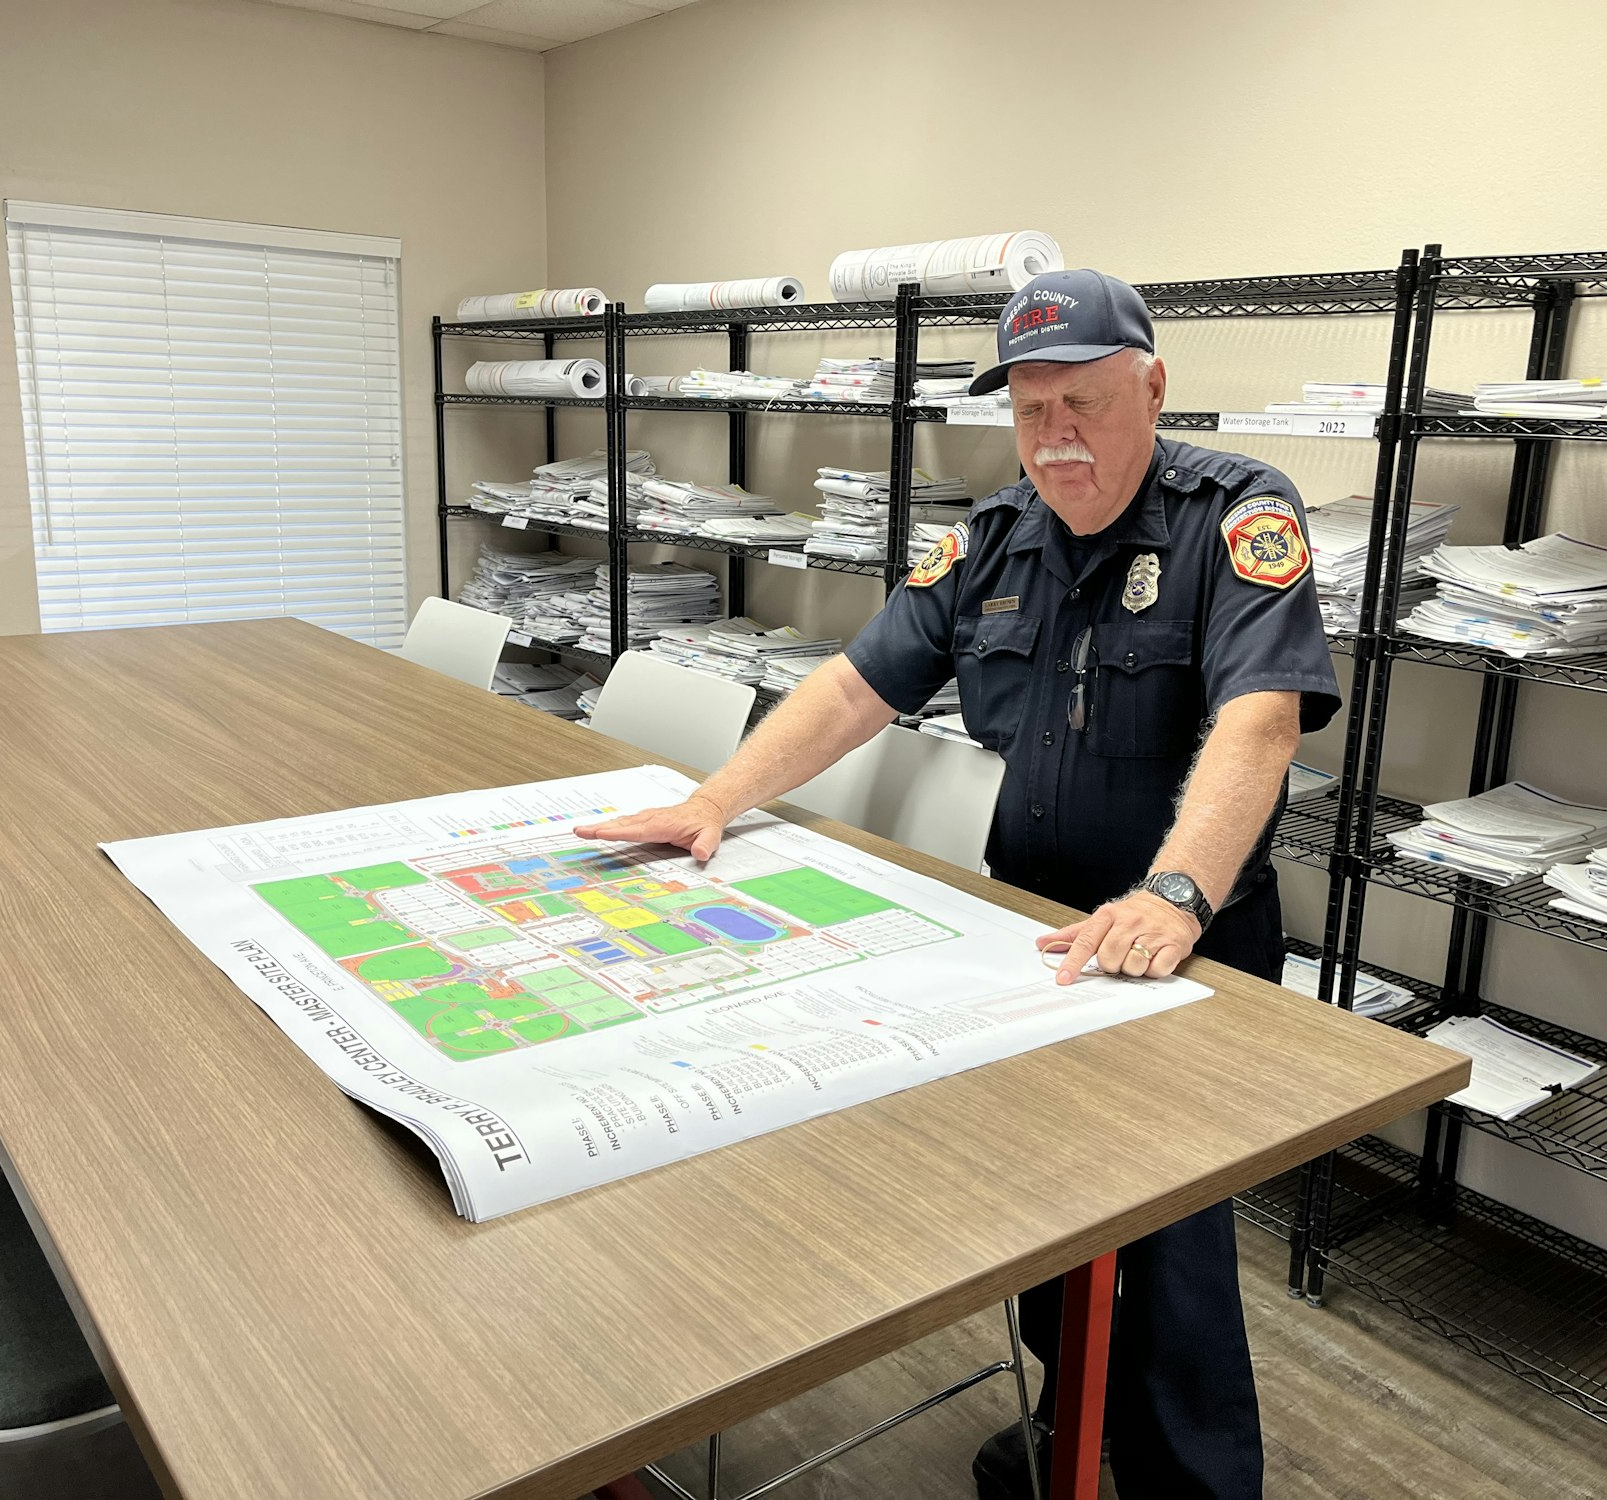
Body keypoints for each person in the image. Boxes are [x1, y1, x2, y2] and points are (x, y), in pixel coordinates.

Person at [575, 268, 1341, 1499]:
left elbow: (1260, 725)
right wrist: (717, 799)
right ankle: (1069, 1425)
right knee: (1042, 1217)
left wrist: (1175, 895)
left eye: (1084, 403)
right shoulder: (991, 541)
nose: (1056, 440)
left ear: (1152, 385)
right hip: (1030, 933)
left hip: (1180, 943)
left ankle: (1186, 1482)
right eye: (1030, 412)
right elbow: (852, 687)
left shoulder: (1234, 516)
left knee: (1170, 1247)